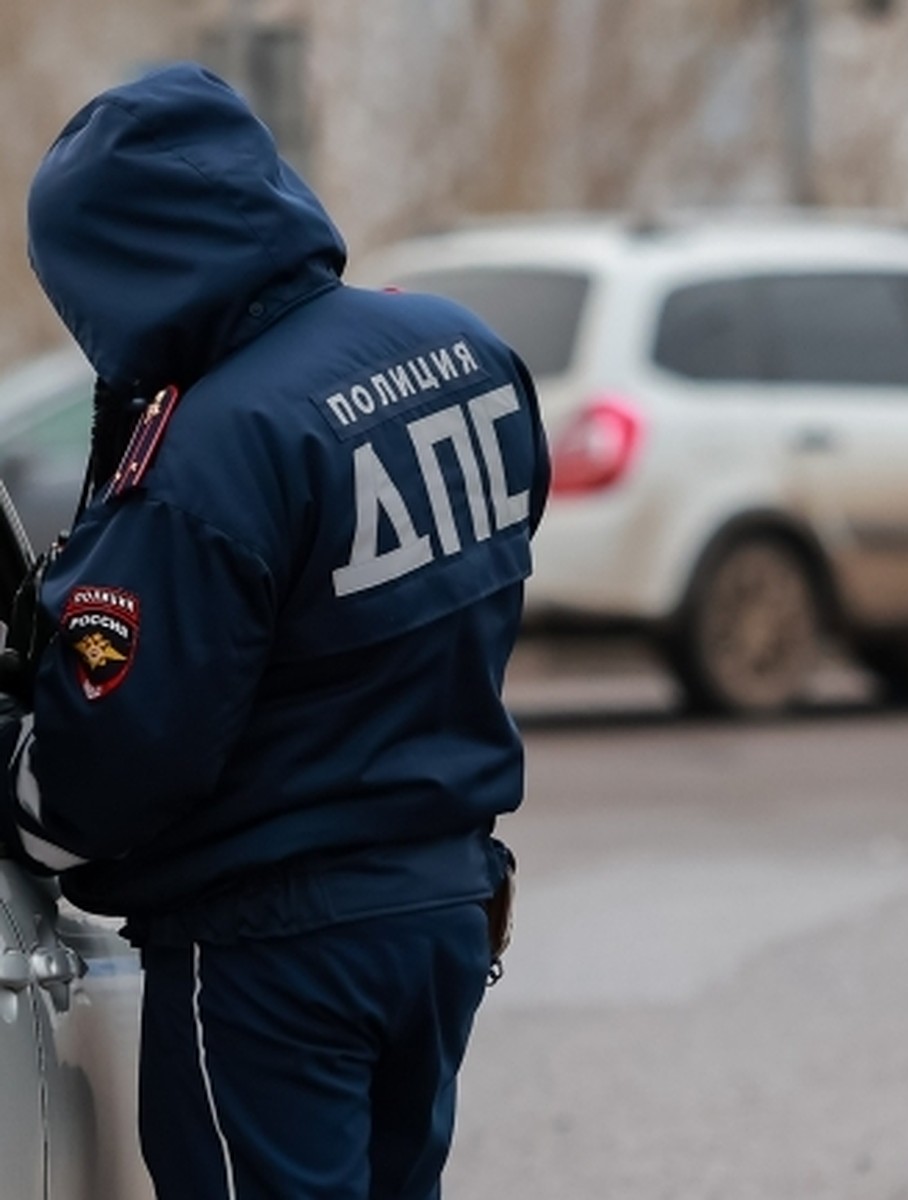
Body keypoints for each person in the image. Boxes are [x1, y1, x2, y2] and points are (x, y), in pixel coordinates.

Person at [0, 62, 548, 1199]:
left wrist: (14, 759)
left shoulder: (206, 456)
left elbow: (110, 769)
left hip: (273, 957)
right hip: (441, 911)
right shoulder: (462, 350)